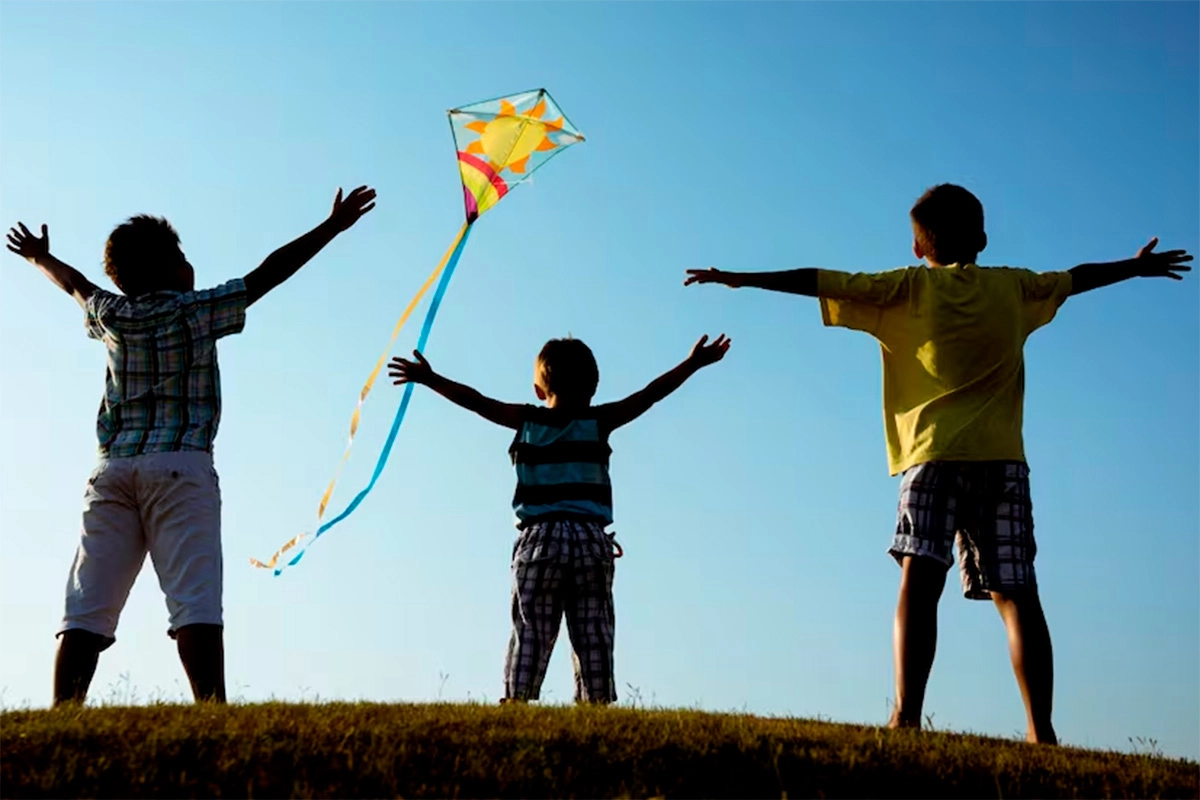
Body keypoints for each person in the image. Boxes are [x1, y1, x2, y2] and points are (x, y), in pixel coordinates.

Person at [683, 183, 1191, 743]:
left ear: (917, 247)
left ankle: (905, 716)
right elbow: (1076, 277)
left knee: (920, 583)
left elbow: (819, 280)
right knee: (1017, 595)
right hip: (1003, 462)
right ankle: (1040, 730)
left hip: (931, 458)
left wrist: (742, 278)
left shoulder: (904, 288)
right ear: (983, 239)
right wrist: (1133, 267)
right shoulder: (1014, 287)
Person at [6, 185, 377, 705]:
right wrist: (331, 227)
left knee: (87, 605)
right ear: (166, 267)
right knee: (194, 600)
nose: (189, 265)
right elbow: (269, 273)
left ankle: (63, 714)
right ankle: (211, 711)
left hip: (112, 472)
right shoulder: (198, 311)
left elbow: (75, 285)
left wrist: (38, 257)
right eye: (181, 257)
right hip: (180, 468)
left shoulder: (112, 314)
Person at [388, 333, 731, 703]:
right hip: (590, 539)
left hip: (540, 539)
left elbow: (477, 402)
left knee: (531, 627)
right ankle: (595, 702)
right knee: (593, 628)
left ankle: (517, 699)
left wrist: (430, 378)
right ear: (593, 388)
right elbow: (649, 395)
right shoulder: (599, 421)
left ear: (539, 390)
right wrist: (692, 363)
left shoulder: (526, 420)